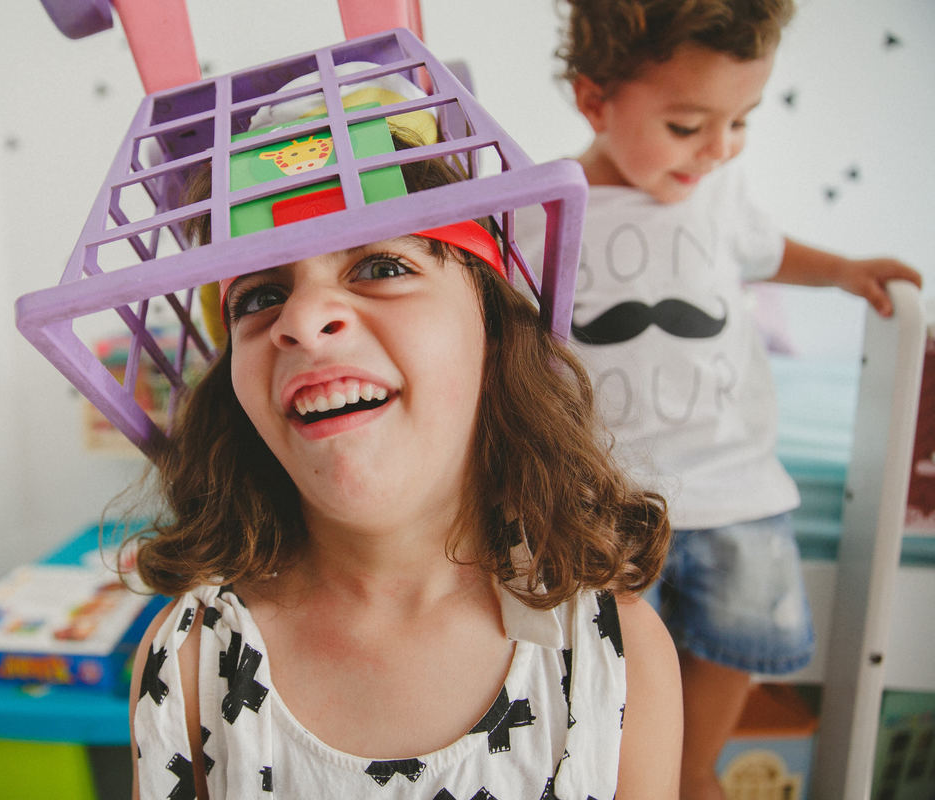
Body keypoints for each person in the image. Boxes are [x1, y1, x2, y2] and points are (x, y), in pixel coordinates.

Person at [122, 139, 683, 798]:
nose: (301, 319)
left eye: (382, 265)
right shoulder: (192, 659)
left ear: (494, 331)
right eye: (258, 296)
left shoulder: (613, 657)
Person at [525, 2, 925, 797]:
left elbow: (770, 253)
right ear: (595, 100)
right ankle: (634, 773)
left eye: (742, 120)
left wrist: (845, 270)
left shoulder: (721, 193)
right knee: (604, 648)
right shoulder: (546, 212)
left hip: (736, 482)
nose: (719, 148)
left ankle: (697, 765)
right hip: (605, 491)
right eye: (687, 126)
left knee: (745, 635)